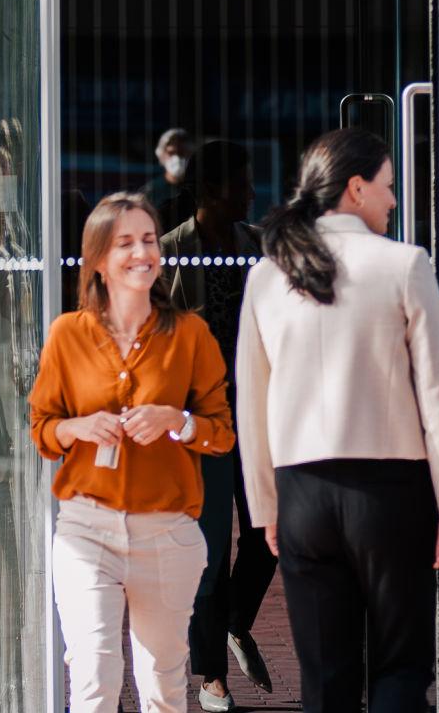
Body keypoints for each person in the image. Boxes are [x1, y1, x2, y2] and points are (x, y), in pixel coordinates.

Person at [233, 128, 439, 713]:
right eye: (389, 187)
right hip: (390, 489)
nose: (394, 201)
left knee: (324, 675)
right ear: (356, 186)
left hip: (301, 493)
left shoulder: (268, 273)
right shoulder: (403, 264)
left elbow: (252, 403)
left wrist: (266, 510)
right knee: (399, 665)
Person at [28, 191, 235, 713]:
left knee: (163, 686)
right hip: (85, 529)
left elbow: (222, 433)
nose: (143, 252)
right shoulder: (67, 334)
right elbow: (42, 430)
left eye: (148, 240)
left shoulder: (190, 334)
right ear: (98, 259)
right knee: (93, 678)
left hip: (166, 531)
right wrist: (79, 427)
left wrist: (178, 422)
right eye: (126, 243)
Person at [159, 140, 276, 708]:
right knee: (209, 553)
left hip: (258, 417)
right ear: (208, 191)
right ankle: (211, 677)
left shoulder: (257, 246)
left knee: (268, 534)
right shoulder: (171, 253)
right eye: (240, 183)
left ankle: (233, 620)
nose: (251, 193)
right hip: (201, 423)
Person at [144, 127, 194, 233]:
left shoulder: (201, 189)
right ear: (161, 155)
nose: (177, 158)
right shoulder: (150, 192)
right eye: (171, 153)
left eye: (182, 153)